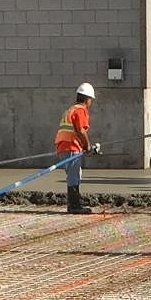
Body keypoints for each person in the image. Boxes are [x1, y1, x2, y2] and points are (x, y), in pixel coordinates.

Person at [54, 81, 95, 214]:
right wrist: (88, 146)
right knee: (73, 175)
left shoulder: (70, 109)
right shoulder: (80, 110)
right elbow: (81, 131)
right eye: (91, 100)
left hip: (64, 145)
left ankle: (74, 204)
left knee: (75, 174)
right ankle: (74, 206)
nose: (91, 103)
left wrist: (83, 146)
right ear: (87, 99)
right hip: (70, 145)